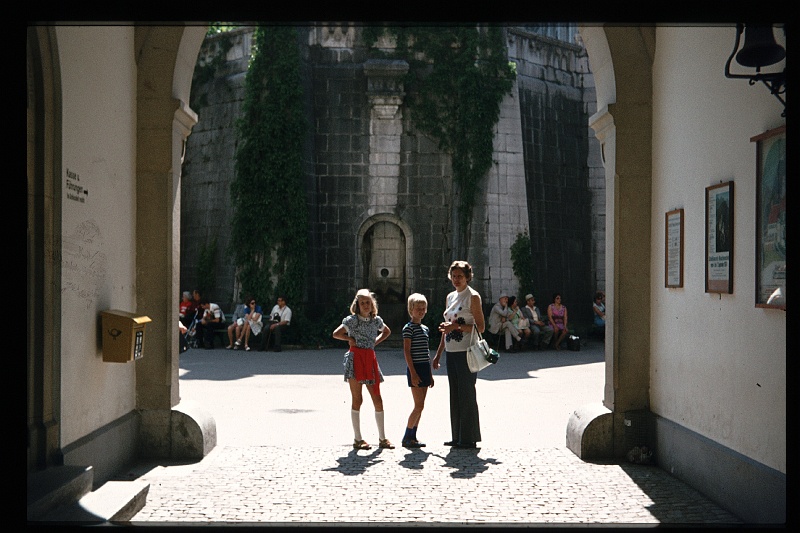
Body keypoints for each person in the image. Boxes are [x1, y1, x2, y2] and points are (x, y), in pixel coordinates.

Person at [332, 289, 394, 450]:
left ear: (372, 305)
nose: (366, 305)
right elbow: (336, 333)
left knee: (377, 398)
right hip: (355, 358)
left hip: (370, 359)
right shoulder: (352, 320)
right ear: (357, 305)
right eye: (362, 303)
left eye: (368, 302)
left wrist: (375, 342)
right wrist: (349, 339)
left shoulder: (376, 320)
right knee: (357, 399)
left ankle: (383, 438)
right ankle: (358, 439)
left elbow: (387, 331)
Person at [433, 260, 485, 449]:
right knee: (455, 395)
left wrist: (456, 327)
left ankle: (469, 438)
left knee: (467, 394)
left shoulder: (473, 297)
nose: (456, 279)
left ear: (467, 277)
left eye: (460, 276)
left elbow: (481, 327)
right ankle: (457, 436)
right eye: (454, 276)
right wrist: (438, 353)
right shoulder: (450, 297)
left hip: (467, 351)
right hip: (451, 351)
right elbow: (446, 329)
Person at [401, 293, 434, 448]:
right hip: (415, 368)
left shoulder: (425, 329)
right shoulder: (408, 329)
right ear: (411, 309)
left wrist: (430, 374)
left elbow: (426, 352)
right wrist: (413, 373)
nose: (421, 311)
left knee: (422, 405)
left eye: (423, 308)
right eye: (418, 308)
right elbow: (407, 351)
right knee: (418, 405)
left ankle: (413, 436)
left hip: (425, 367)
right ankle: (407, 436)